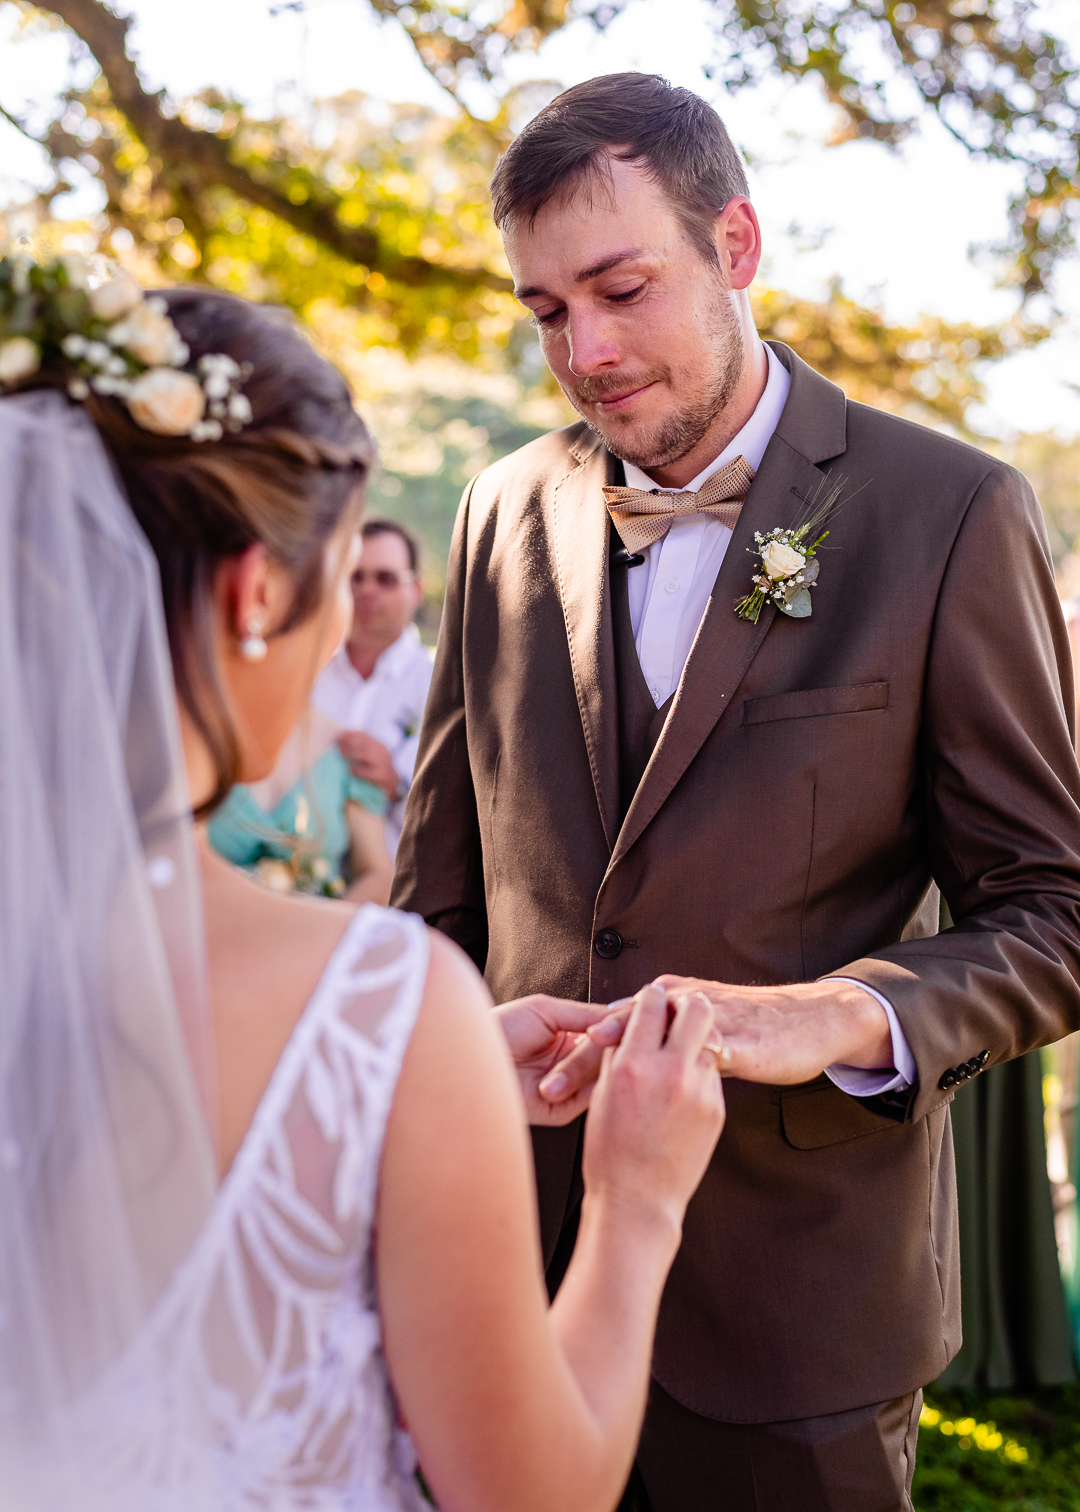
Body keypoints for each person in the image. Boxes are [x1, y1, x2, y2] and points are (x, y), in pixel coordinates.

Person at [392, 72, 1080, 1512]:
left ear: (739, 246)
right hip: (508, 1277)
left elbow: (1055, 911)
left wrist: (836, 1013)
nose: (583, 351)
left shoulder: (949, 513)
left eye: (621, 288)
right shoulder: (495, 510)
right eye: (543, 312)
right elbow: (435, 902)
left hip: (797, 1313)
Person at [0, 261, 725, 1510]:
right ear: (257, 591)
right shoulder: (376, 997)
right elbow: (536, 1493)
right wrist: (637, 1197)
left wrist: (404, 1100)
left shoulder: (390, 1035)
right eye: (340, 580)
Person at [313, 518, 433, 854]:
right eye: (355, 577)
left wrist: (398, 783)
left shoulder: (442, 686)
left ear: (416, 590)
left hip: (402, 883)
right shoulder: (308, 675)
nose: (367, 590)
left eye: (385, 579)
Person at [207, 701, 395, 903]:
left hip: (324, 928)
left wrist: (323, 929)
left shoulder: (349, 752)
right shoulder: (197, 742)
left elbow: (378, 876)